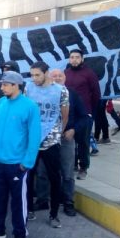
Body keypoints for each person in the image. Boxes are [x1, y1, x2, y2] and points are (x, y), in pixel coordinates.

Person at [0, 71, 41, 238]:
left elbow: (34, 136)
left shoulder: (30, 106)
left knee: (18, 202)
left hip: (16, 164)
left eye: (5, 84)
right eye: (2, 84)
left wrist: (27, 162)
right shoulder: (1, 103)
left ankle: (20, 234)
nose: (2, 87)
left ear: (16, 86)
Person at [24, 62, 68, 227]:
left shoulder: (61, 90)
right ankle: (28, 209)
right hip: (32, 140)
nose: (34, 78)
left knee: (54, 177)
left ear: (46, 73)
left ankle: (54, 214)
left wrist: (57, 133)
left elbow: (65, 115)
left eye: (37, 75)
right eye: (32, 75)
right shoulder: (28, 88)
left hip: (51, 140)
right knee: (28, 176)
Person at [49, 68, 86, 216]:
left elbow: (84, 117)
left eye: (60, 76)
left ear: (64, 78)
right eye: (54, 76)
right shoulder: (44, 94)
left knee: (67, 171)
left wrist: (74, 130)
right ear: (49, 78)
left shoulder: (73, 94)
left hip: (66, 138)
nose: (57, 78)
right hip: (47, 139)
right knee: (43, 171)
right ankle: (42, 199)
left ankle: (68, 202)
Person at [64, 49, 100, 178]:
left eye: (77, 57)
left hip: (84, 114)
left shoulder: (89, 74)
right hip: (69, 113)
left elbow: (96, 94)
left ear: (82, 59)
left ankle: (83, 167)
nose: (74, 60)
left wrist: (90, 112)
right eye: (72, 57)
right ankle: (72, 165)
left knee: (83, 142)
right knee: (69, 140)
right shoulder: (65, 73)